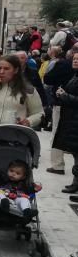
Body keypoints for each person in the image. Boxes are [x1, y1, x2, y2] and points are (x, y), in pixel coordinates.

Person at [0, 54, 43, 132]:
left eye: (6, 69)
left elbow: (39, 113)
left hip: (15, 136)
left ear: (16, 70)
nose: (1, 72)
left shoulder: (27, 89)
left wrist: (28, 121)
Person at [51, 51, 78, 194]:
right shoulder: (75, 75)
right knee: (75, 154)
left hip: (75, 120)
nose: (75, 61)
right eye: (74, 59)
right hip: (71, 120)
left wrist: (65, 96)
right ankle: (75, 183)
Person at [45, 47, 72, 174]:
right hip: (69, 102)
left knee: (57, 131)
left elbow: (48, 78)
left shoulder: (62, 64)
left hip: (63, 102)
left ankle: (57, 165)